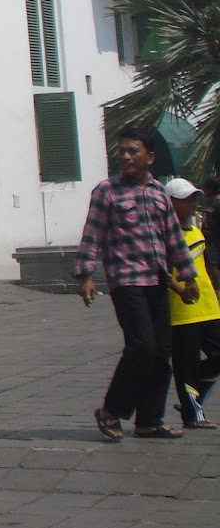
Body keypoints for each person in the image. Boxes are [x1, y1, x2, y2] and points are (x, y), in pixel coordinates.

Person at [74, 126, 199, 440]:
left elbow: (173, 238)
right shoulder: (106, 191)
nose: (126, 157)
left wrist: (188, 276)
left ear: (150, 157)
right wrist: (86, 275)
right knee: (142, 345)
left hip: (157, 281)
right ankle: (111, 410)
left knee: (161, 352)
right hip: (126, 281)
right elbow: (91, 234)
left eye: (133, 151)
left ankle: (149, 421)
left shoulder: (159, 192)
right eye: (122, 151)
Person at [164, 178, 220, 428]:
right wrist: (179, 289)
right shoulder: (164, 236)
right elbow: (163, 273)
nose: (192, 204)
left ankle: (192, 389)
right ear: (170, 203)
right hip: (182, 311)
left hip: (209, 307)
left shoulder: (197, 232)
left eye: (194, 198)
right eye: (185, 200)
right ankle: (193, 414)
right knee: (185, 363)